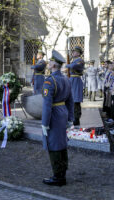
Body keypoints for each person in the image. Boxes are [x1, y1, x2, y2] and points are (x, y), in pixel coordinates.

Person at [41, 50, 74, 186]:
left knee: (53, 144)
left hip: (53, 114)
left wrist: (44, 123)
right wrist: (70, 118)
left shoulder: (50, 81)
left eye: (50, 61)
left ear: (54, 64)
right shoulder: (65, 79)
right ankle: (62, 173)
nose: (48, 63)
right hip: (63, 113)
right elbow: (70, 101)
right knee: (61, 143)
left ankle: (57, 177)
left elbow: (47, 105)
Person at [65, 46, 84, 127]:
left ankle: (76, 119)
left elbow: (73, 66)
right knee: (70, 100)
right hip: (71, 80)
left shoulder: (80, 60)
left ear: (79, 53)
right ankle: (71, 118)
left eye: (75, 52)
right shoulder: (74, 60)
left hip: (76, 80)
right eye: (73, 52)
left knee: (76, 100)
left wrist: (68, 65)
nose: (73, 53)